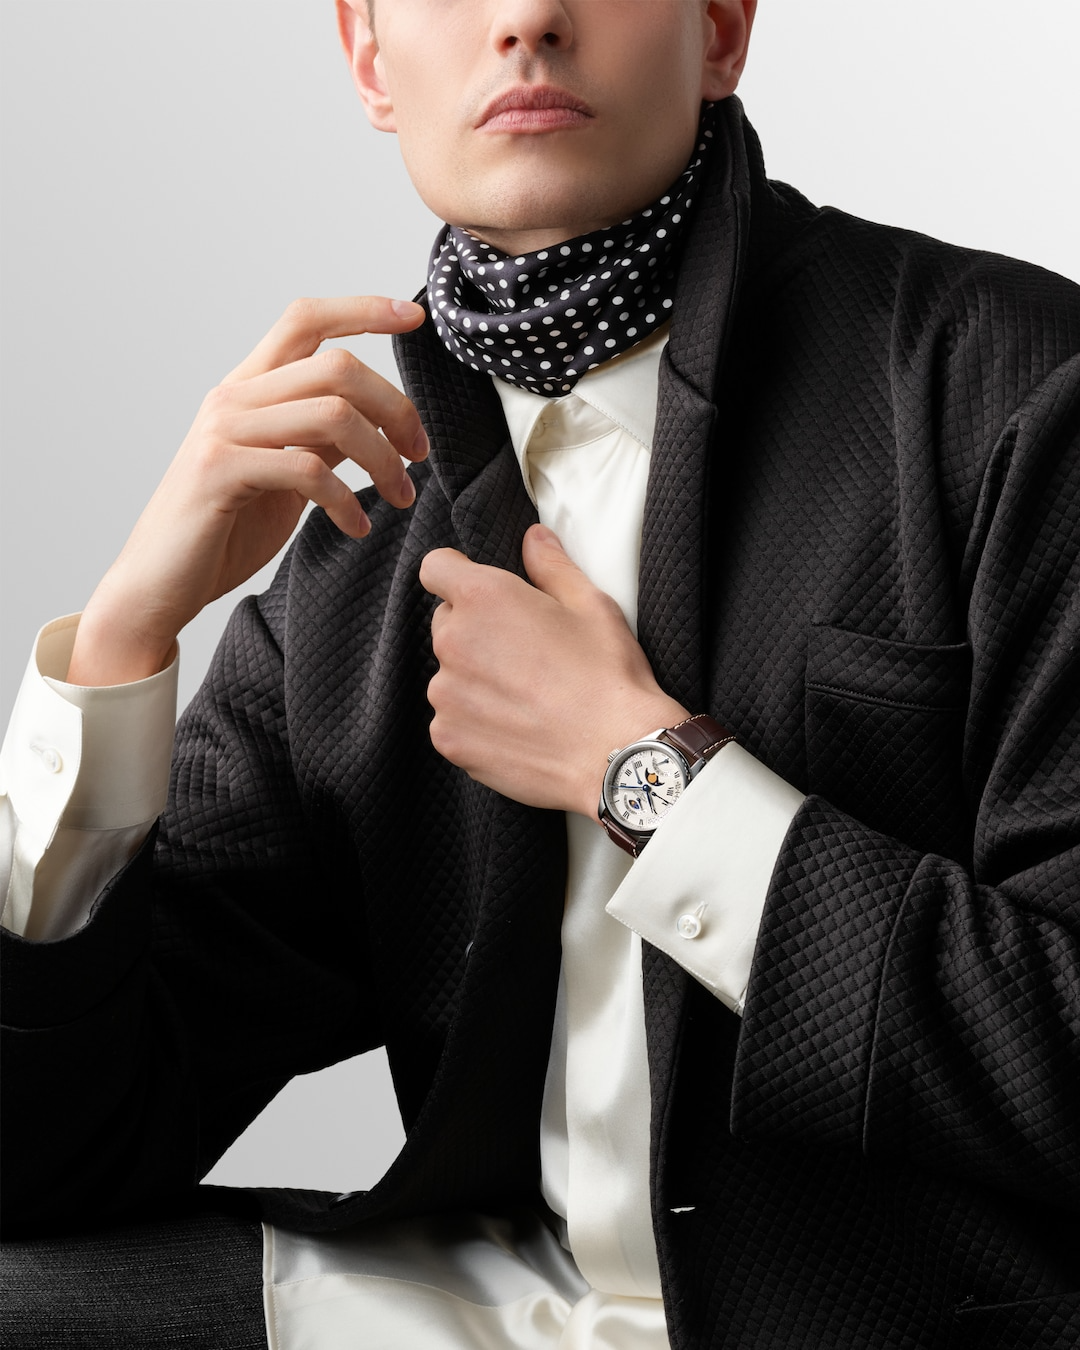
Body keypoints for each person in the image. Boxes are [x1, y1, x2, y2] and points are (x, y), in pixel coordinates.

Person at [3, 1, 1079, 1347]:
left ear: (725, 31)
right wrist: (115, 648)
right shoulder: (360, 531)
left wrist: (657, 785)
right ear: (366, 57)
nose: (525, 18)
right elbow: (47, 1150)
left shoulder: (1018, 389)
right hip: (477, 1301)